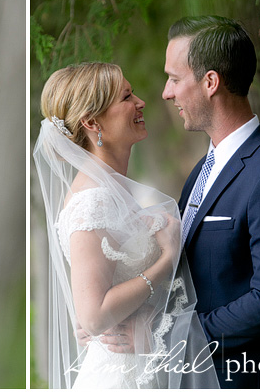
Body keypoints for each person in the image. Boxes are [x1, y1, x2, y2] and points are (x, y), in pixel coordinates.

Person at [33, 62, 219, 389]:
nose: (141, 102)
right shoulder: (92, 201)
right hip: (121, 375)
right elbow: (93, 316)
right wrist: (166, 259)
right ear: (92, 122)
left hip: (145, 362)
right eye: (126, 97)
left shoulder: (114, 191)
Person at [160, 16, 260, 387]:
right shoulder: (202, 171)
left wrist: (182, 337)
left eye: (175, 78)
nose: (167, 92)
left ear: (210, 82)